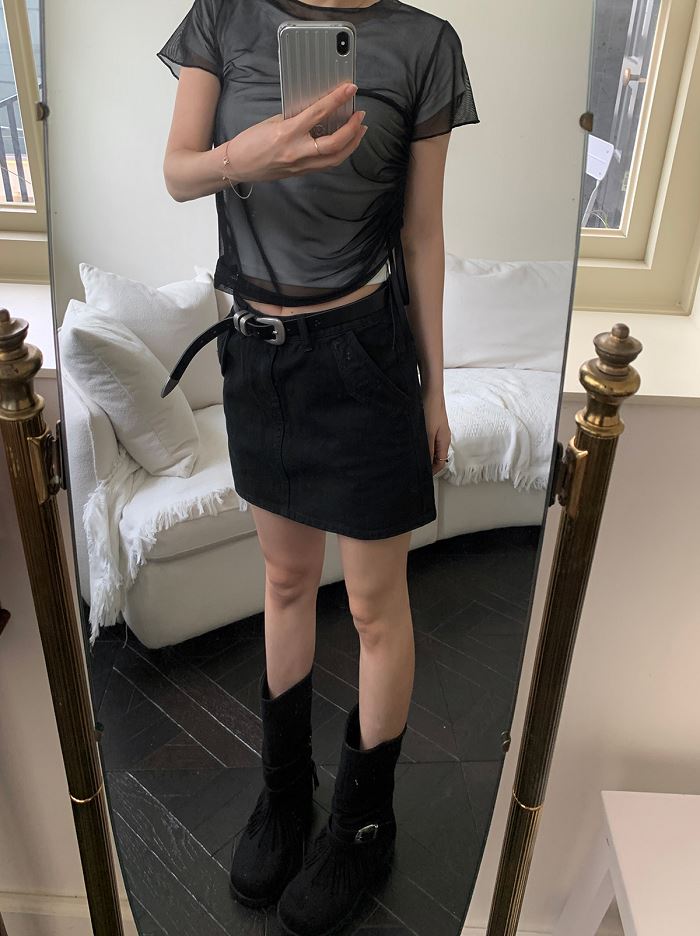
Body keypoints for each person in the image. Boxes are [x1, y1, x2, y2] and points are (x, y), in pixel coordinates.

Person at [157, 1, 479, 933]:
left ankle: (364, 825)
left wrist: (433, 387)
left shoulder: (424, 45)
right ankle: (285, 794)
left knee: (376, 606)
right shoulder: (224, 15)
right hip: (259, 356)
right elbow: (178, 172)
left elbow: (422, 233)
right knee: (286, 579)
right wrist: (244, 158)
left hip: (365, 356)